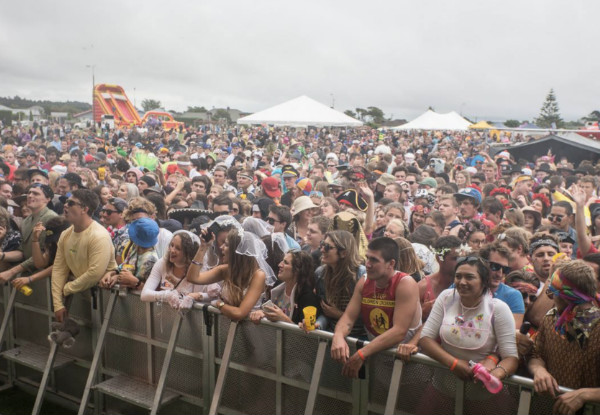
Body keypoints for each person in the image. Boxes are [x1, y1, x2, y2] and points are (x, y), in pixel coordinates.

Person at [416, 256, 518, 414]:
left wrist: (496, 374)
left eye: (470, 277)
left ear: (484, 281)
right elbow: (425, 338)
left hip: (483, 398)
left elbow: (511, 357)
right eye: (458, 276)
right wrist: (454, 364)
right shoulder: (446, 298)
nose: (462, 282)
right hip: (441, 389)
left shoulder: (498, 309)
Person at [331, 237, 422, 378]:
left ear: (390, 263)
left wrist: (361, 353)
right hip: (378, 359)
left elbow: (399, 331)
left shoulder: (405, 283)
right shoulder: (364, 281)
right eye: (367, 258)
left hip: (409, 365)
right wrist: (338, 336)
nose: (367, 264)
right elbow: (348, 318)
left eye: (374, 260)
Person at [529, 260, 600, 415]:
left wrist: (584, 395)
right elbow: (537, 354)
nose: (551, 298)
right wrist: (539, 370)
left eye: (552, 293)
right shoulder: (551, 319)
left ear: (566, 296)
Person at [51, 189, 117, 322]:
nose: (65, 205)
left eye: (71, 203)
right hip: (83, 297)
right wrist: (57, 304)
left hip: (108, 302)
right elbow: (59, 269)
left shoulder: (99, 236)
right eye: (65, 202)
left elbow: (94, 273)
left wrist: (68, 288)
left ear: (84, 209)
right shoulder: (65, 234)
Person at [186, 228, 276, 321]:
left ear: (237, 251)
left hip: (251, 330)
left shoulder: (258, 275)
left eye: (227, 245)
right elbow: (193, 278)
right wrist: (203, 247)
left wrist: (219, 304)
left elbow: (239, 313)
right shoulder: (225, 270)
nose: (221, 247)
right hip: (228, 328)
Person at [140, 231, 220, 307]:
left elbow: (209, 296)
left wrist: (195, 296)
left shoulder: (197, 269)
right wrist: (166, 295)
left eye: (178, 248)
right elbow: (144, 294)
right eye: (172, 245)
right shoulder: (162, 263)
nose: (172, 250)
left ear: (188, 253)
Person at [0, 184, 57, 281]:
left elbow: (44, 255)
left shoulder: (51, 218)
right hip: (29, 273)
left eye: (36, 193)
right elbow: (22, 252)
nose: (30, 196)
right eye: (29, 193)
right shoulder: (26, 221)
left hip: (45, 275)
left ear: (48, 199)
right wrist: (2, 255)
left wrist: (12, 271)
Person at [314, 230, 366, 337]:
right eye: (322, 244)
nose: (322, 250)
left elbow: (369, 317)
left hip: (360, 338)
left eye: (328, 247)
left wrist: (339, 314)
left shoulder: (361, 275)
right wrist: (317, 325)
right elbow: (326, 312)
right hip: (331, 335)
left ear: (344, 253)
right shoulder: (320, 274)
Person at [250, 250, 319, 324]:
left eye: (285, 262)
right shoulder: (277, 286)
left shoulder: (307, 297)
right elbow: (268, 311)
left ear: (297, 270)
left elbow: (308, 333)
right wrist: (262, 313)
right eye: (282, 261)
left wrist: (284, 319)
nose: (279, 264)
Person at [99, 217, 159, 290]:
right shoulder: (135, 247)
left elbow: (152, 289)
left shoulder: (151, 260)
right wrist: (112, 273)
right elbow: (124, 265)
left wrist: (134, 282)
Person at [418, 236, 462, 322]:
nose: (460, 262)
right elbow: (410, 323)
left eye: (462, 258)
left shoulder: (467, 285)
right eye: (455, 258)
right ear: (439, 259)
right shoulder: (422, 287)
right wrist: (423, 313)